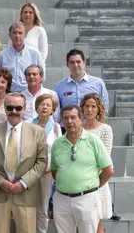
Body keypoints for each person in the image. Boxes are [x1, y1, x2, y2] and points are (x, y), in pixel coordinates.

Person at [0, 92, 48, 233]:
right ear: (4, 109)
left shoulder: (38, 132)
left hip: (26, 193)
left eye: (18, 108)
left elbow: (41, 162)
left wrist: (23, 183)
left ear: (24, 109)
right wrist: (0, 182)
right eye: (10, 108)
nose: (14, 112)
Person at [51, 105, 114, 233]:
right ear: (62, 121)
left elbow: (108, 170)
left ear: (81, 119)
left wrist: (92, 187)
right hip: (62, 199)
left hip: (87, 199)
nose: (69, 121)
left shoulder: (93, 141)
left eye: (73, 117)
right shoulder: (57, 144)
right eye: (66, 118)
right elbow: (54, 171)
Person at [81, 93, 114, 233]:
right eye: (87, 106)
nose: (90, 109)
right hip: (78, 183)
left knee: (96, 226)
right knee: (80, 224)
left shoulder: (105, 129)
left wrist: (89, 177)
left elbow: (104, 159)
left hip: (97, 182)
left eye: (93, 106)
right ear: (82, 108)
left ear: (98, 109)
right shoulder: (78, 128)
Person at [32, 93, 62, 233]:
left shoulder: (56, 127)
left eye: (48, 105)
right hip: (29, 172)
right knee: (29, 207)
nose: (44, 107)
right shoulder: (27, 125)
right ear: (37, 107)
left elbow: (59, 152)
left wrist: (50, 168)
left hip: (47, 173)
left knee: (43, 208)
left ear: (52, 110)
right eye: (42, 104)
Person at [0, 21, 45, 93]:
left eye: (20, 33)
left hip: (29, 93)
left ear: (25, 35)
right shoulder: (2, 56)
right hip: (9, 94)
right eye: (14, 33)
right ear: (10, 35)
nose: (17, 36)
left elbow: (42, 76)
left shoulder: (35, 54)